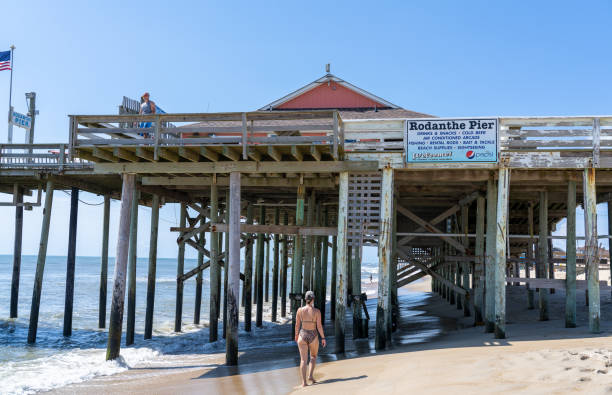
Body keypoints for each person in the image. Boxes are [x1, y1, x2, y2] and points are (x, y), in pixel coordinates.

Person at [294, 290, 326, 387]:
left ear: (305, 299)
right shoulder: (317, 311)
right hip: (313, 335)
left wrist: (296, 335)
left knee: (303, 360)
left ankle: (304, 382)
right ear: (313, 299)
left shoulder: (300, 310)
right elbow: (319, 326)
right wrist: (323, 338)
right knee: (313, 357)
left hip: (302, 334)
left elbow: (297, 325)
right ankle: (310, 376)